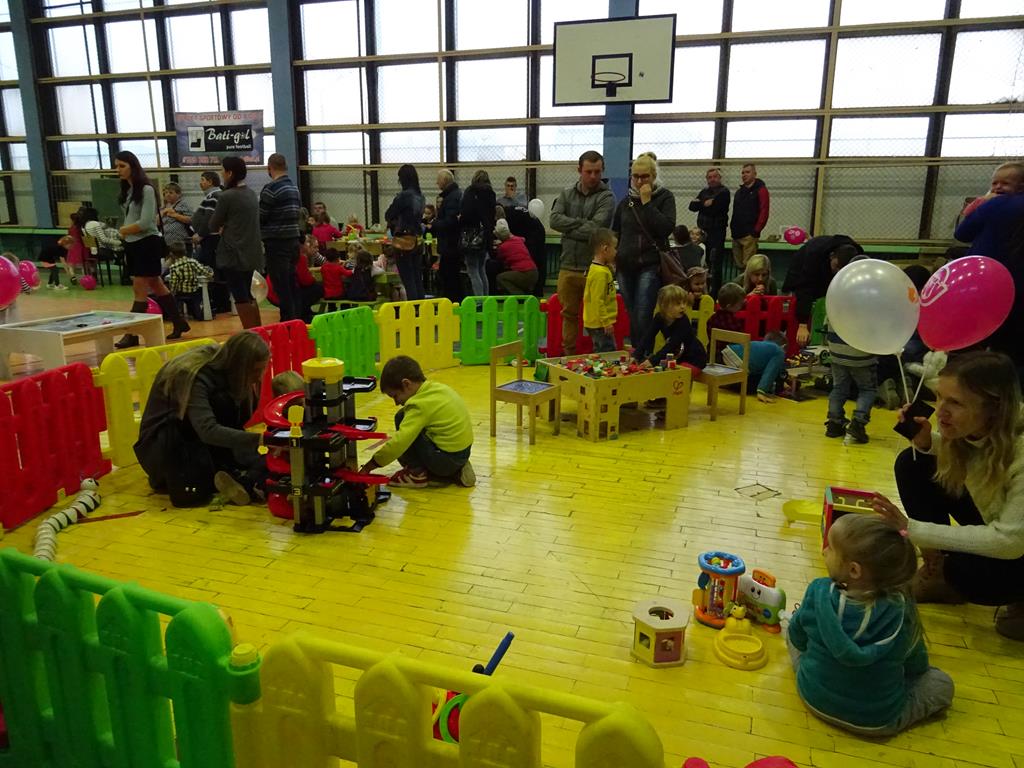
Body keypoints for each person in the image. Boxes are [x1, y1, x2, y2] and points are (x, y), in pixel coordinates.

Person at [872, 351, 1024, 640]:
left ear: (994, 408)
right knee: (913, 462)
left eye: (955, 402)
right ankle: (938, 571)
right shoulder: (987, 428)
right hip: (1000, 521)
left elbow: (1011, 542)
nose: (940, 411)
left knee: (966, 572)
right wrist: (927, 441)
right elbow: (981, 455)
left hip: (1017, 543)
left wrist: (912, 529)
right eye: (939, 397)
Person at [786, 514, 954, 736]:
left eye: (831, 548)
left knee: (792, 627)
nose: (824, 551)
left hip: (813, 697)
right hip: (875, 721)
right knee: (941, 684)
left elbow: (797, 638)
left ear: (854, 570)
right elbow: (917, 665)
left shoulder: (818, 592)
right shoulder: (902, 610)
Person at [134, 332, 270, 508]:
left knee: (266, 461)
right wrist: (262, 439)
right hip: (167, 447)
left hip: (194, 438)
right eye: (255, 371)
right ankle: (240, 479)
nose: (259, 377)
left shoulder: (226, 368)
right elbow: (208, 430)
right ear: (240, 366)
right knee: (224, 407)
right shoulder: (194, 375)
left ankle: (243, 482)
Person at [359, 355, 475, 489]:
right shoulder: (436, 388)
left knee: (402, 420)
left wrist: (369, 466)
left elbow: (399, 443)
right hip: (461, 453)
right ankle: (454, 470)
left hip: (446, 460)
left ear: (406, 384)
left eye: (395, 396)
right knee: (404, 416)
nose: (396, 402)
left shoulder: (419, 406)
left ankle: (417, 475)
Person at [113, 150, 190, 347]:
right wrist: (126, 233)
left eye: (122, 166)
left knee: (139, 288)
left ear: (133, 166)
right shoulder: (128, 191)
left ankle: (132, 333)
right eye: (116, 166)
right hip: (132, 243)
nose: (118, 170)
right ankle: (179, 321)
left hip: (146, 243)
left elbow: (146, 222)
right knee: (156, 283)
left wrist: (123, 230)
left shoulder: (146, 189)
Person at [550, 151, 616, 355]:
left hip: (595, 269)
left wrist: (569, 228)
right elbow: (554, 220)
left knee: (598, 316)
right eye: (589, 171)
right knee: (568, 314)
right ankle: (569, 356)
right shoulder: (566, 193)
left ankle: (602, 358)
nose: (593, 176)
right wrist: (582, 224)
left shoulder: (607, 197)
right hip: (568, 265)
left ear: (602, 170)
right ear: (579, 170)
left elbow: (596, 229)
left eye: (597, 171)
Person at [612, 154, 676, 348]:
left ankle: (644, 353)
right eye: (636, 176)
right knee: (632, 313)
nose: (640, 181)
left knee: (643, 313)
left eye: (645, 176)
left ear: (654, 176)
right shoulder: (625, 202)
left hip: (650, 264)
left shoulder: (665, 197)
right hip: (625, 266)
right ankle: (637, 351)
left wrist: (647, 203)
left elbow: (665, 228)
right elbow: (616, 231)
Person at [208, 156, 264, 329]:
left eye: (222, 170)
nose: (221, 173)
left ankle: (250, 333)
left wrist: (224, 226)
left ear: (230, 173)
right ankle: (258, 331)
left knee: (240, 296)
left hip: (233, 253)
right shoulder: (251, 193)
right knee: (249, 294)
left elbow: (213, 224)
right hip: (252, 252)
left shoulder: (227, 196)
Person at [782, 235, 864, 346]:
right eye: (836, 266)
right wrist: (802, 324)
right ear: (831, 256)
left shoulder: (858, 257)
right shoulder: (814, 254)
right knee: (803, 299)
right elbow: (805, 287)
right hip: (803, 269)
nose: (838, 272)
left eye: (842, 270)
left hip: (824, 269)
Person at [825, 273, 877, 444]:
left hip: (837, 354)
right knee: (867, 389)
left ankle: (834, 423)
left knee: (839, 388)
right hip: (861, 356)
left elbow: (826, 325)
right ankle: (858, 424)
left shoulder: (836, 302)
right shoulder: (870, 306)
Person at [260, 153, 302, 323]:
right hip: (293, 241)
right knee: (290, 284)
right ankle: (295, 320)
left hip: (276, 243)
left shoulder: (271, 189)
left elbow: (261, 216)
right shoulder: (294, 188)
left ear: (269, 168)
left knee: (281, 285)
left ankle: (287, 322)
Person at [632, 284, 707, 372]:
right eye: (678, 304)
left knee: (674, 373)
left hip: (694, 359)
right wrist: (636, 355)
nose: (683, 306)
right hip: (677, 357)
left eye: (684, 302)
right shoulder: (659, 317)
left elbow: (671, 345)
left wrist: (653, 360)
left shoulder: (683, 321)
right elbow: (648, 337)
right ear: (665, 306)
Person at [385, 164, 426, 301]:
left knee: (408, 280)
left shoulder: (403, 196)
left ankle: (413, 308)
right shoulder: (421, 196)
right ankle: (421, 307)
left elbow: (388, 214)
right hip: (417, 239)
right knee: (417, 278)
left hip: (404, 240)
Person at [688, 168, 730, 289]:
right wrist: (704, 203)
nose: (712, 179)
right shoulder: (704, 192)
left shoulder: (724, 192)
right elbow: (692, 206)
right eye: (709, 177)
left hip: (716, 233)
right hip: (702, 233)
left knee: (715, 263)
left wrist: (700, 204)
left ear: (720, 178)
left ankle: (715, 291)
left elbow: (714, 210)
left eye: (715, 176)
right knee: (701, 261)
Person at [459, 170, 497, 297]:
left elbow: (466, 213)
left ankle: (479, 301)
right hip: (485, 235)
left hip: (472, 236)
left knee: (473, 270)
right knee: (482, 269)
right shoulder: (491, 194)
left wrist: (460, 220)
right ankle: (486, 299)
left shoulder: (470, 192)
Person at [429, 169, 464, 302]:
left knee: (448, 274)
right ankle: (455, 301)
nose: (436, 182)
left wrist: (435, 224)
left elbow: (450, 221)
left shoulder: (451, 198)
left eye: (438, 179)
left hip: (450, 243)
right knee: (451, 274)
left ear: (444, 180)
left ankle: (451, 302)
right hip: (452, 243)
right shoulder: (455, 195)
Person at [583, 228, 618, 353]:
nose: (616, 252)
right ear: (605, 249)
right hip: (600, 323)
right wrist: (606, 322)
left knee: (601, 350)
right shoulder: (600, 273)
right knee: (607, 352)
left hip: (597, 321)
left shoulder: (597, 268)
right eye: (614, 248)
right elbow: (598, 300)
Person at [266, 247, 323, 323]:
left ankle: (303, 312)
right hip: (281, 295)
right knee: (318, 289)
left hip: (270, 292)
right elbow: (306, 280)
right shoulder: (300, 257)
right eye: (315, 247)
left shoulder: (284, 255)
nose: (317, 250)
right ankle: (302, 315)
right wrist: (313, 279)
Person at [730, 163, 770, 268]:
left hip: (750, 234)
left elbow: (764, 211)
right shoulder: (739, 192)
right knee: (738, 264)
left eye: (747, 172)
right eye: (743, 173)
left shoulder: (761, 190)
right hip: (736, 233)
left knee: (749, 266)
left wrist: (756, 231)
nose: (744, 175)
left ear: (754, 174)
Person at [957, 161, 1024, 220]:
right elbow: (967, 212)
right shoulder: (989, 199)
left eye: (1005, 183)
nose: (998, 186)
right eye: (994, 183)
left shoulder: (1018, 203)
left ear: (1020, 188)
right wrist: (984, 199)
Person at [505, 204, 547, 296]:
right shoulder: (512, 210)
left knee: (533, 260)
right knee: (539, 258)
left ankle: (534, 291)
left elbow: (507, 235)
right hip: (538, 229)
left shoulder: (508, 218)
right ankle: (538, 289)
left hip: (533, 233)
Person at [166, 240, 212, 321]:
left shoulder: (173, 267)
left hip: (180, 293)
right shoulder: (192, 262)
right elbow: (204, 272)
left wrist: (172, 292)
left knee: (175, 299)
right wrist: (210, 272)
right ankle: (198, 313)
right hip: (194, 292)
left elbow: (173, 283)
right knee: (197, 303)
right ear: (185, 252)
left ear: (172, 254)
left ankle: (177, 315)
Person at [490, 218, 538, 296]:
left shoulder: (503, 247)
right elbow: (522, 239)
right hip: (534, 272)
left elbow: (499, 258)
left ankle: (519, 296)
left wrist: (498, 245)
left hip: (524, 273)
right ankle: (524, 296)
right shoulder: (518, 239)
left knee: (501, 278)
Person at [191, 171, 222, 270]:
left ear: (210, 182)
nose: (200, 183)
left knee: (211, 267)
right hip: (208, 238)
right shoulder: (211, 196)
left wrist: (200, 234)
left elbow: (209, 218)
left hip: (211, 239)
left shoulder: (214, 196)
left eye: (202, 180)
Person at [160, 182, 193, 251]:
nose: (168, 195)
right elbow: (156, 222)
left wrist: (174, 215)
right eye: (166, 193)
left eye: (171, 193)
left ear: (178, 194)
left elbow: (191, 220)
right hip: (167, 243)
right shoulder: (163, 208)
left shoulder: (183, 205)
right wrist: (163, 212)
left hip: (181, 243)